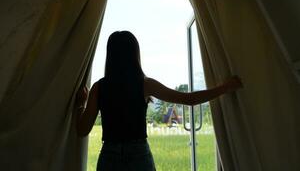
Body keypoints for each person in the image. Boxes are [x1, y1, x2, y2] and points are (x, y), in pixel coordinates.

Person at [75, 31, 242, 171]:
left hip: (109, 156)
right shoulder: (145, 84)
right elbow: (189, 99)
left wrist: (81, 103)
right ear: (135, 54)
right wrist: (225, 87)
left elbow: (82, 130)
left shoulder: (99, 87)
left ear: (110, 55)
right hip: (138, 154)